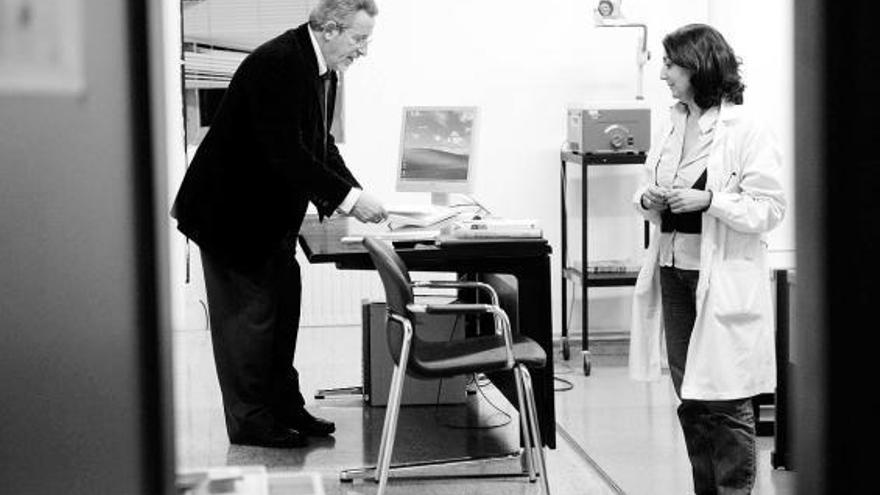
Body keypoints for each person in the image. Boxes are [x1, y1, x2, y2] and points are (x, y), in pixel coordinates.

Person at [171, 0, 387, 448]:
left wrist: (359, 195)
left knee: (283, 310)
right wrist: (350, 200)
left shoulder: (320, 69)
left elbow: (320, 145)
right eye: (359, 39)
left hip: (269, 218)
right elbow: (286, 153)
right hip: (230, 218)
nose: (363, 50)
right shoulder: (278, 63)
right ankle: (251, 422)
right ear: (329, 29)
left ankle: (285, 406)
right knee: (248, 324)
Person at [629, 24, 786, 493]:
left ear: (697, 66)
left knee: (727, 398)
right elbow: (645, 185)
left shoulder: (746, 129)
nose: (663, 75)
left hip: (722, 281)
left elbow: (769, 208)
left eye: (670, 65)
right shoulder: (672, 124)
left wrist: (709, 201)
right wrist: (648, 199)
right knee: (691, 397)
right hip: (674, 271)